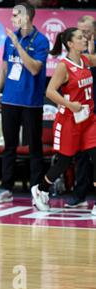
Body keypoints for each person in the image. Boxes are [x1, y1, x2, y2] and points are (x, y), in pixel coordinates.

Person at [0, 2, 49, 204]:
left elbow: (34, 69)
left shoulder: (41, 41)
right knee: (9, 146)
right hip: (10, 100)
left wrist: (18, 43)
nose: (13, 18)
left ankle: (37, 190)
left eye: (16, 15)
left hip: (31, 102)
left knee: (34, 148)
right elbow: (4, 69)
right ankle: (6, 188)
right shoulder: (9, 39)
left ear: (28, 17)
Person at [31, 27, 96, 214]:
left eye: (84, 37)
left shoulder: (86, 60)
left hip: (89, 119)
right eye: (80, 37)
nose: (84, 39)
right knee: (64, 162)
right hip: (69, 119)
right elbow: (50, 91)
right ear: (70, 43)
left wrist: (92, 48)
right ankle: (40, 189)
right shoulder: (63, 66)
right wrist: (69, 104)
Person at [66, 15, 96, 208]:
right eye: (79, 32)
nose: (82, 36)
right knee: (82, 153)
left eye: (85, 32)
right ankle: (80, 194)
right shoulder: (76, 54)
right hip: (83, 109)